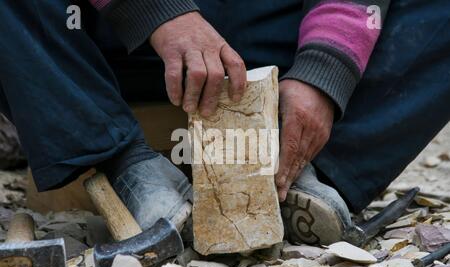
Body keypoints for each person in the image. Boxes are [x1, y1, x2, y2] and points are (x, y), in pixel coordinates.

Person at [1, 0, 449, 245]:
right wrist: (160, 12)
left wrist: (325, 71)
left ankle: (303, 171)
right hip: (98, 38)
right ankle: (124, 164)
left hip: (269, 39)